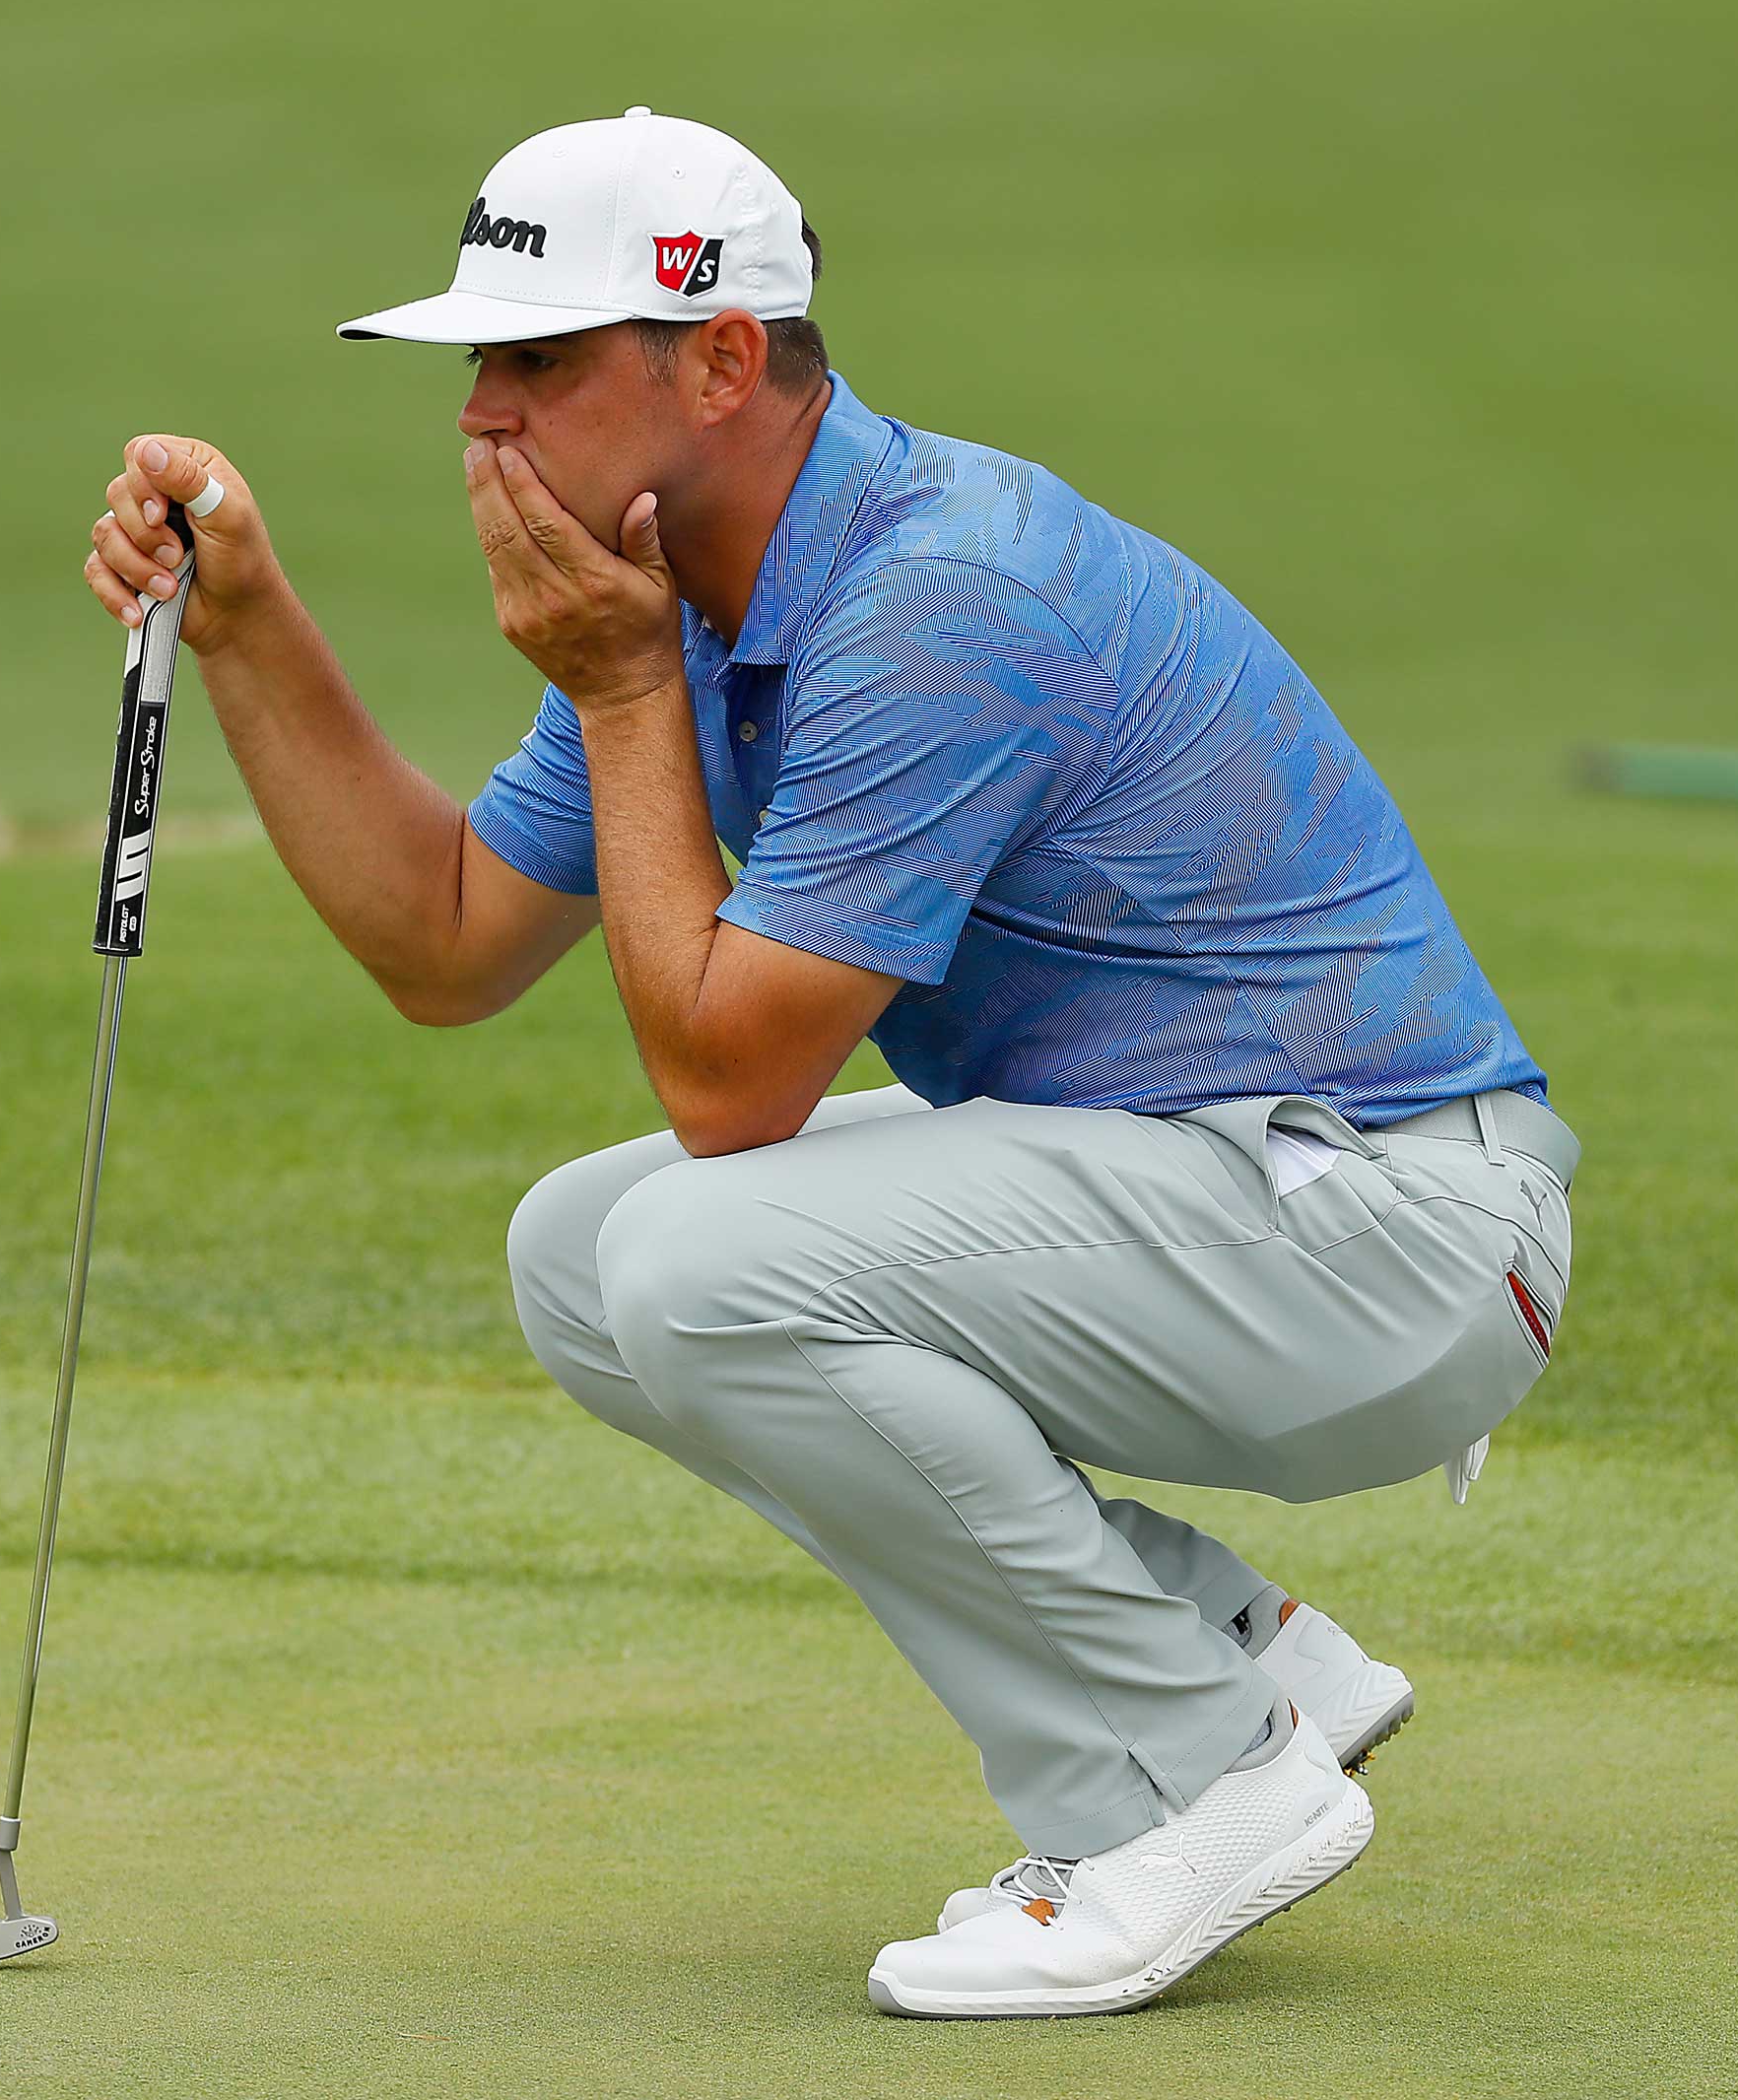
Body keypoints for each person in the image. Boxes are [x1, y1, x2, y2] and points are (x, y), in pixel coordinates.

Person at [82, 108, 1578, 2020]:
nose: (480, 418)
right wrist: (251, 625)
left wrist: (621, 696)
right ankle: (1230, 1651)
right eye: (477, 364)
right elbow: (444, 939)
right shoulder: (698, 603)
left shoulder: (929, 597)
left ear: (718, 360)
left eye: (538, 360)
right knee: (583, 1248)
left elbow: (730, 1092)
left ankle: (1183, 1773)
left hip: (1399, 1234)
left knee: (700, 1253)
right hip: (1229, 1195)